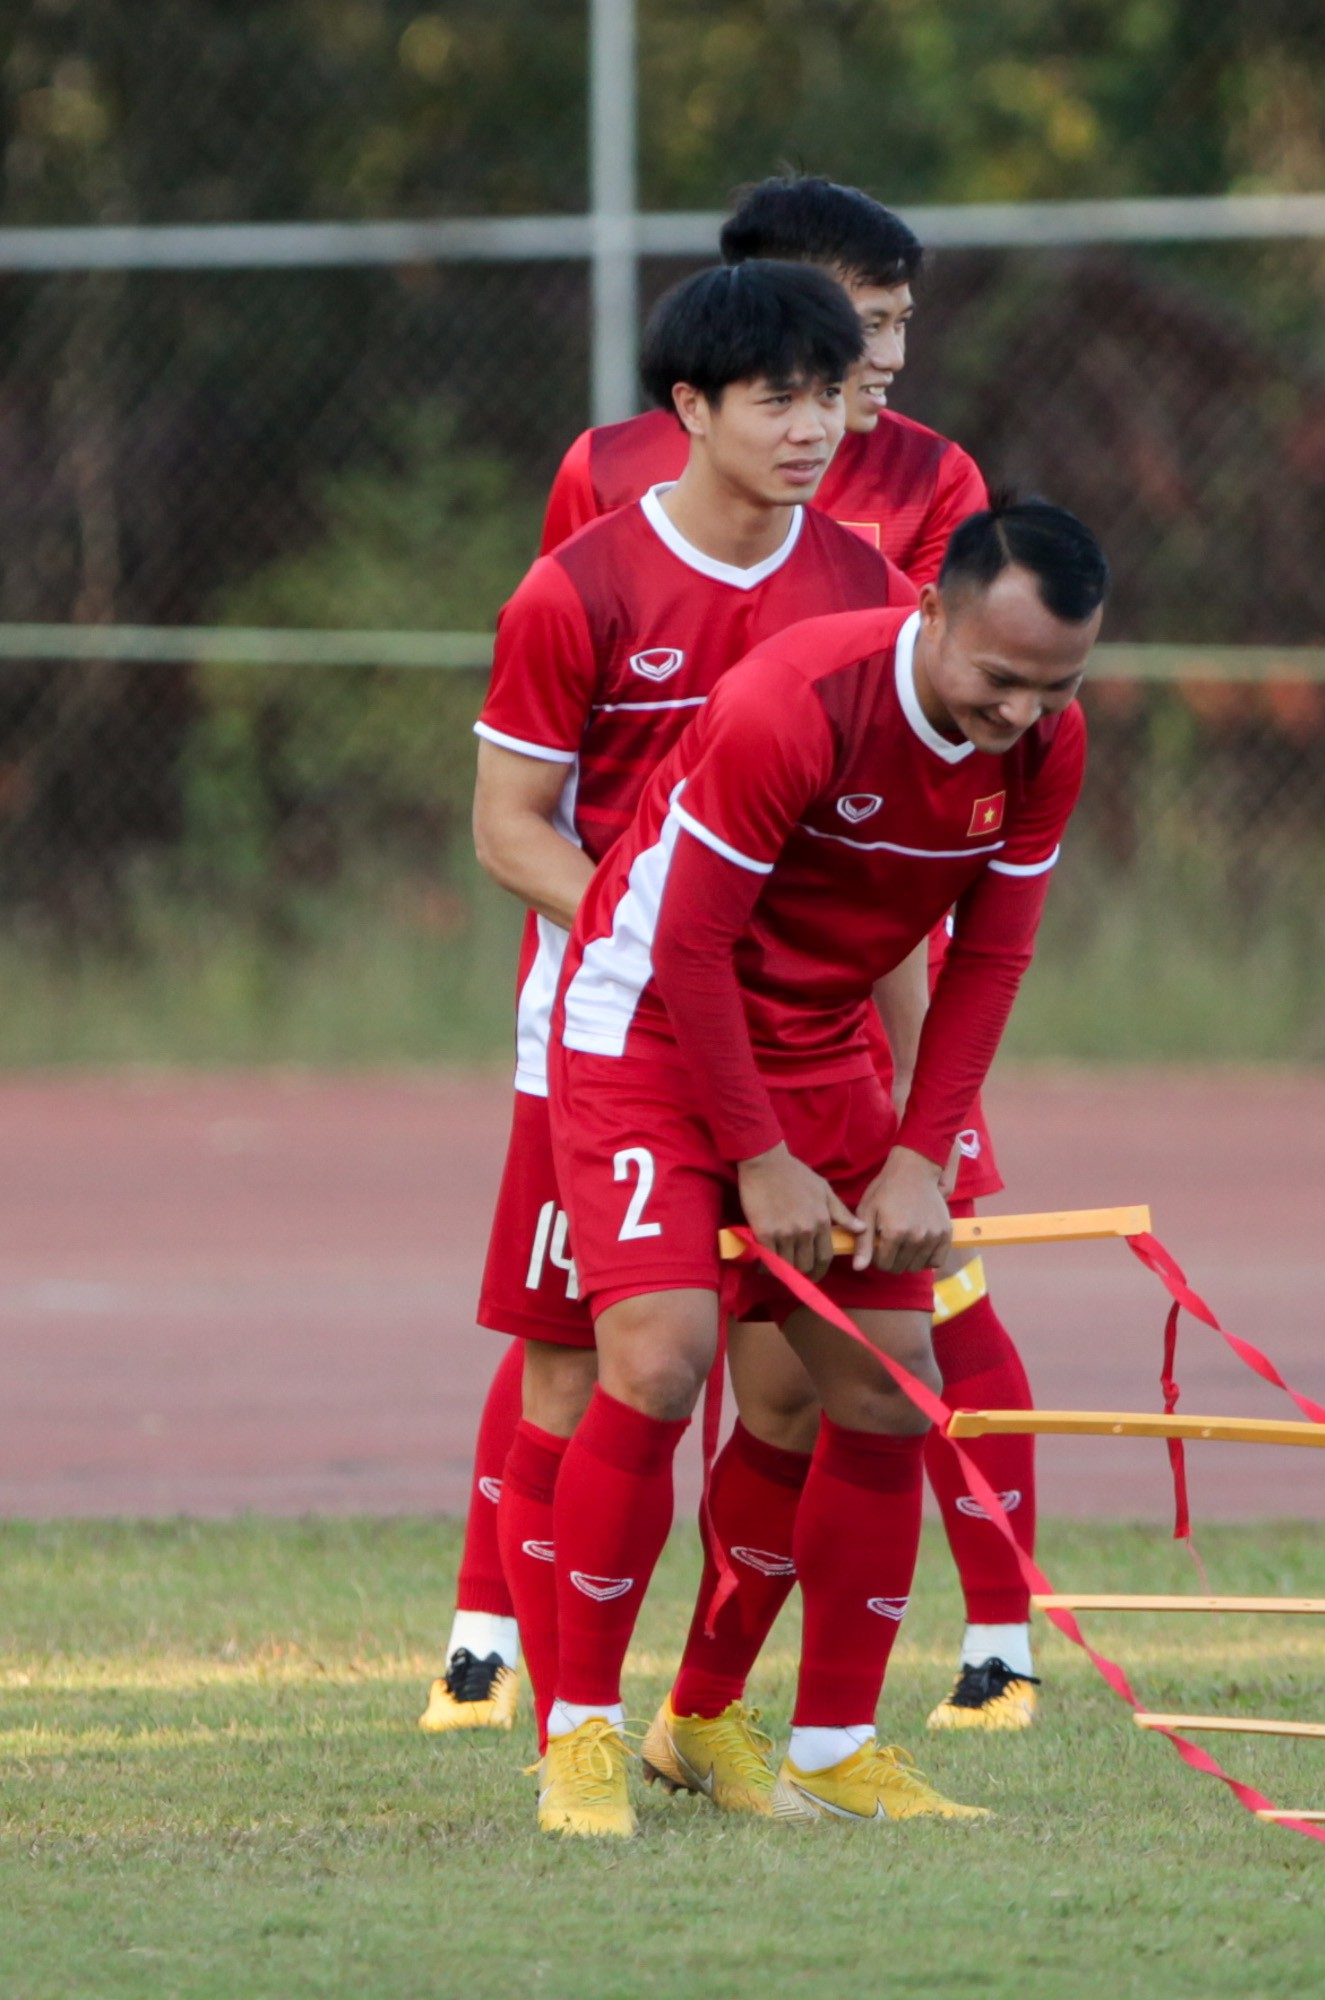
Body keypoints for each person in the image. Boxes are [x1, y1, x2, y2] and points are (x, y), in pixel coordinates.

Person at [425, 179, 1045, 1744]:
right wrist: (644, 945)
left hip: (813, 1020)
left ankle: (767, 1718)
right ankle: (507, 1661)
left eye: (866, 357)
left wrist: (919, 1098)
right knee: (603, 1349)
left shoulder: (877, 555)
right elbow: (518, 812)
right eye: (824, 357)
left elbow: (903, 848)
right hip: (614, 1000)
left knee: (841, 1369)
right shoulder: (597, 528)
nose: (852, 388)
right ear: (703, 389)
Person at [532, 499, 1104, 1835]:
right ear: (930, 617)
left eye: (1056, 683)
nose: (1022, 710)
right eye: (997, 676)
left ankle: (814, 1742)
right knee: (661, 1359)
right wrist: (758, 1161)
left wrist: (921, 1156)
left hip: (820, 1052)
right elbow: (683, 950)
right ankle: (578, 1735)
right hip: (650, 1034)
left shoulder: (1045, 748)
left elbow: (993, 959)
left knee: (885, 1398)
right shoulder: (792, 702)